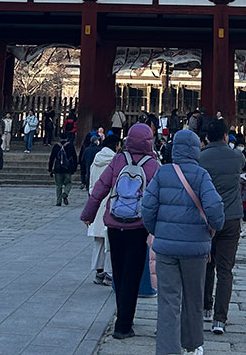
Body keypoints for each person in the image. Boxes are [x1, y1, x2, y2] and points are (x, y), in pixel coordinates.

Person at [142, 129, 225, 355]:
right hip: (195, 248)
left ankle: (168, 350)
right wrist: (215, 226)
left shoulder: (162, 173)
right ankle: (192, 344)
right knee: (193, 297)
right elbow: (215, 208)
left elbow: (147, 207)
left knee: (168, 301)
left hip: (166, 248)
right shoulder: (201, 175)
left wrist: (157, 230)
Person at [80, 123, 160, 340]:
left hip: (114, 224)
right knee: (132, 276)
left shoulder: (118, 160)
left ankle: (121, 318)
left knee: (119, 270)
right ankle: (124, 324)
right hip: (139, 227)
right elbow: (157, 199)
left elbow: (100, 189)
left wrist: (88, 214)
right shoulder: (153, 165)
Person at [198, 117, 244, 335]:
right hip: (231, 217)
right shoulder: (236, 156)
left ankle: (205, 307)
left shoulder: (200, 157)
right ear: (226, 135)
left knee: (207, 264)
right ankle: (220, 319)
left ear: (207, 137)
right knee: (225, 269)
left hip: (207, 218)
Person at [87, 134, 120, 285]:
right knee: (110, 240)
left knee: (98, 241)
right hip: (109, 203)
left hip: (96, 201)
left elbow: (91, 182)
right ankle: (109, 272)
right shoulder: (115, 161)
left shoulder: (96, 160)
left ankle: (98, 271)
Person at [49, 133, 78, 205]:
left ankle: (58, 201)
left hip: (58, 169)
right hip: (67, 168)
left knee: (58, 185)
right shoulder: (70, 146)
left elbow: (52, 158)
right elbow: (74, 158)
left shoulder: (56, 146)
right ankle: (65, 193)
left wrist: (50, 168)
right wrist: (74, 168)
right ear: (67, 138)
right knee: (68, 183)